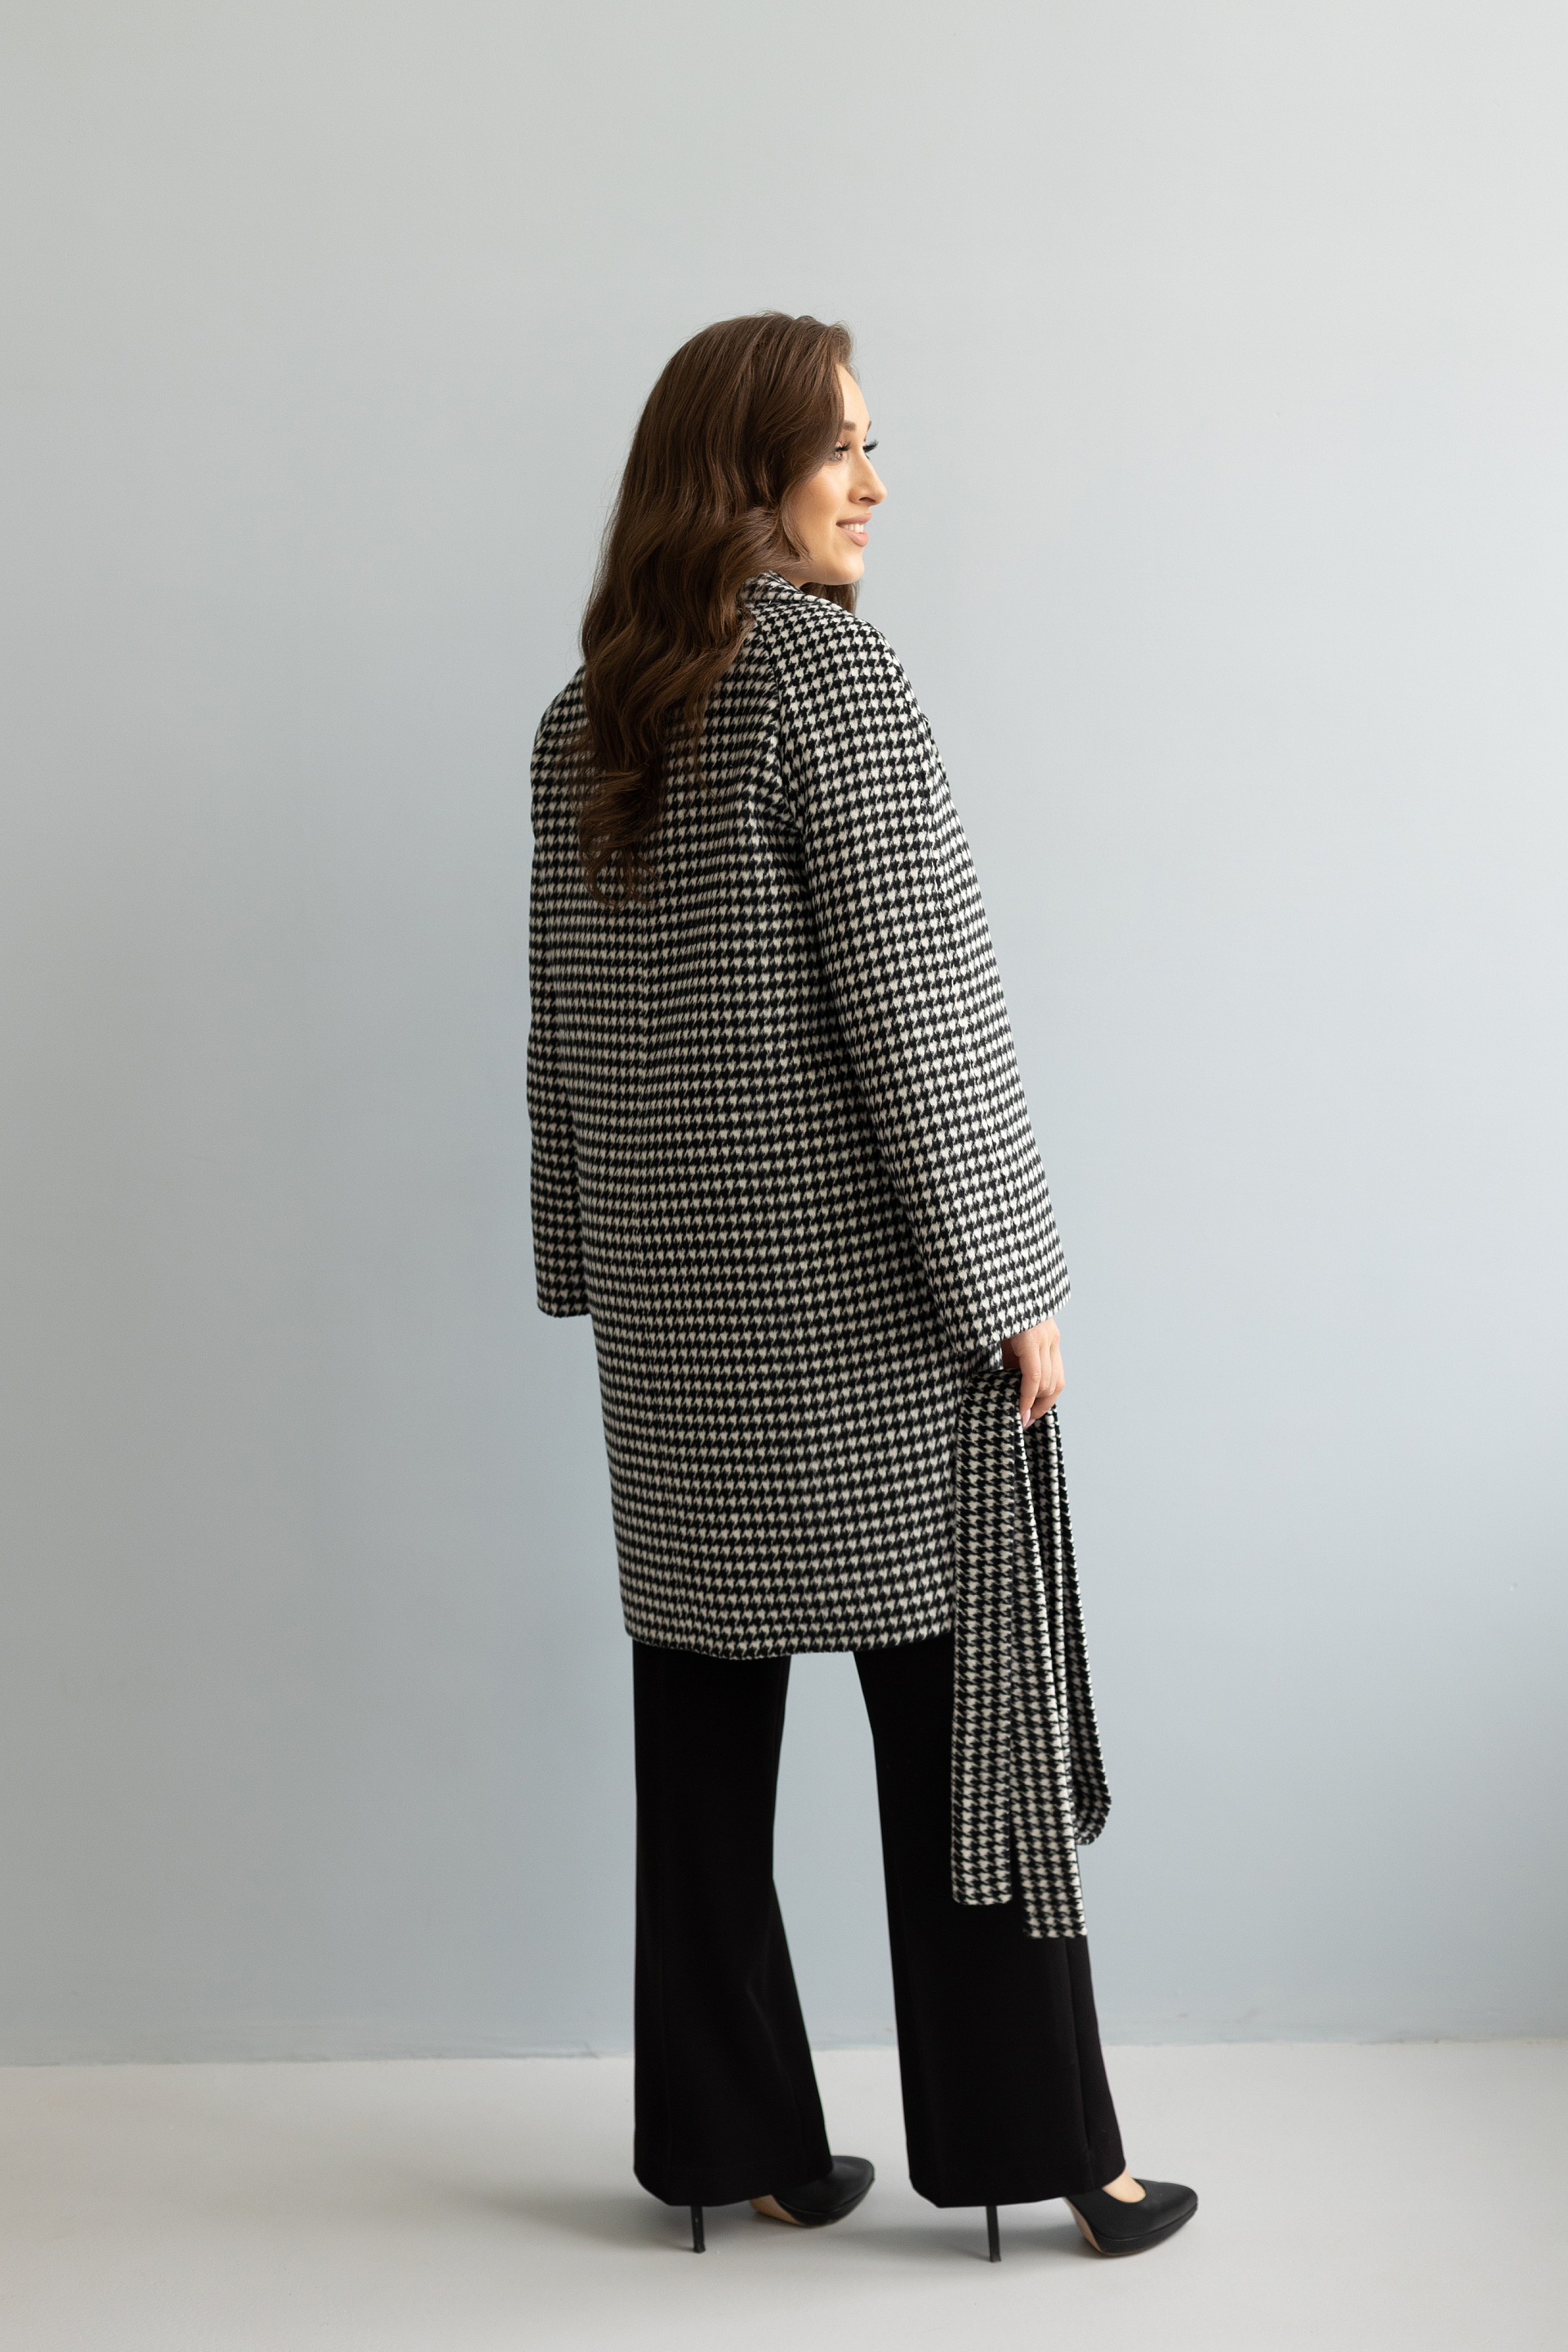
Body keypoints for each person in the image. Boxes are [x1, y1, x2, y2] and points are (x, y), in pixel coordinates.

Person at [526, 310, 1196, 2261]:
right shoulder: (829, 676)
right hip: (870, 1328)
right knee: (970, 1736)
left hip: (678, 1342)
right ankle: (1049, 2152)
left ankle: (729, 2141)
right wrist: (1012, 1286)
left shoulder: (584, 717)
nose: (877, 486)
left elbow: (565, 1029)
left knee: (699, 1753)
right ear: (746, 473)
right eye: (845, 450)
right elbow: (926, 1012)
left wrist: (584, 1262)